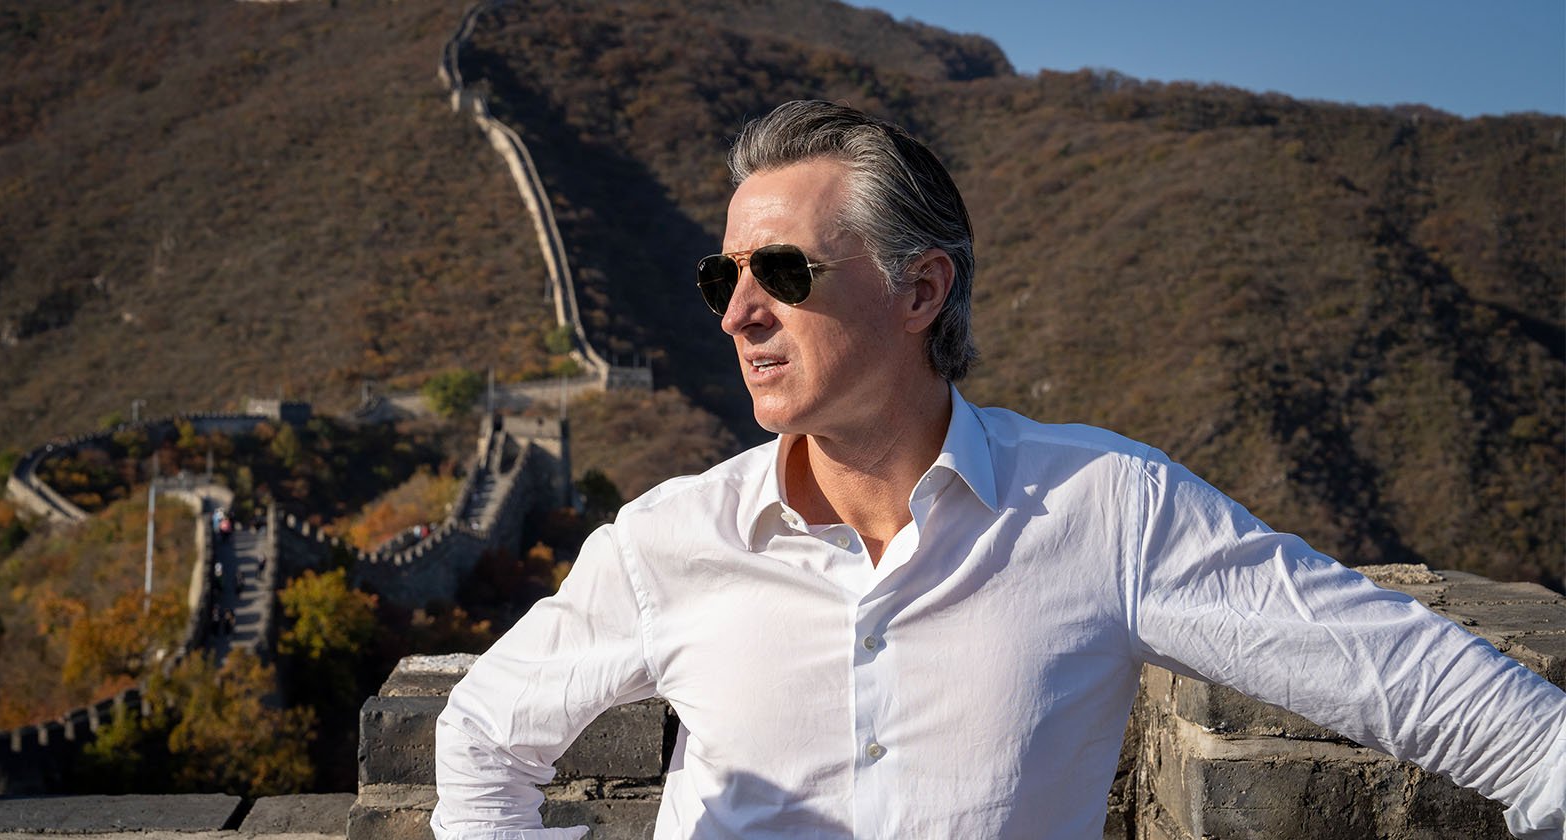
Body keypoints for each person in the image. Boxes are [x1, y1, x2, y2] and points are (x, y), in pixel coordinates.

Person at [433, 100, 1565, 839]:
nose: (737, 313)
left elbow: (1465, 707)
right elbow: (481, 736)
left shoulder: (1102, 511)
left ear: (921, 292)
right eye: (719, 277)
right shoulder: (671, 540)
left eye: (780, 270)